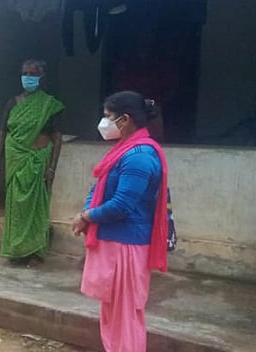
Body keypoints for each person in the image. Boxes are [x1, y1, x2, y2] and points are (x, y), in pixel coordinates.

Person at [73, 91, 170, 352]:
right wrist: (87, 212)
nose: (103, 123)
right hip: (115, 242)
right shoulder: (124, 151)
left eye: (107, 117)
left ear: (124, 119)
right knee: (113, 312)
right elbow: (98, 188)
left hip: (126, 246)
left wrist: (86, 216)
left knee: (124, 316)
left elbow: (122, 205)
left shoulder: (138, 156)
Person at [0, 59, 64, 266]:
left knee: (36, 208)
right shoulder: (12, 102)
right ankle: (16, 251)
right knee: (15, 208)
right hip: (15, 160)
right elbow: (2, 133)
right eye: (25, 73)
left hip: (38, 160)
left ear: (41, 77)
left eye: (33, 74)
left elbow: (57, 138)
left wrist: (52, 168)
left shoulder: (50, 105)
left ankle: (35, 253)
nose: (28, 77)